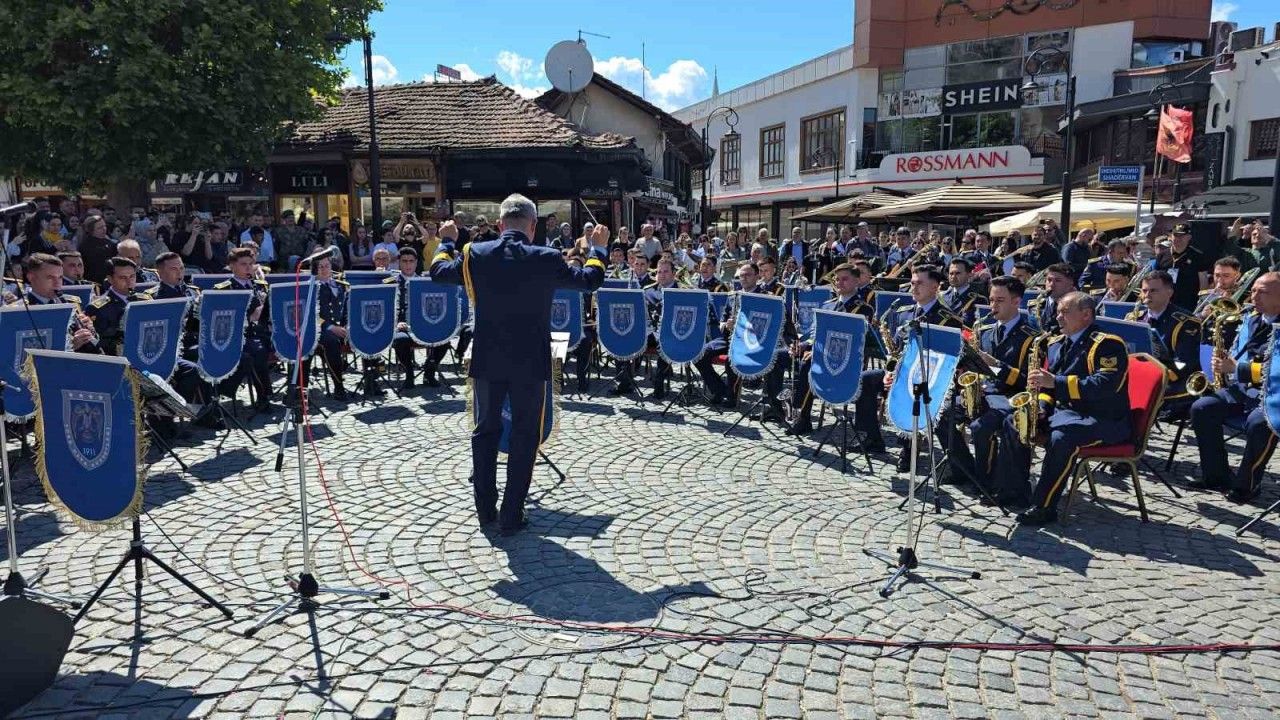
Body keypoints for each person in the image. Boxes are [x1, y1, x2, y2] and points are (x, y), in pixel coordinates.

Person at [429, 194, 609, 536]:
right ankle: (511, 514)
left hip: (487, 358)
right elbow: (588, 280)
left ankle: (485, 511)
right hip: (530, 361)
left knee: (485, 432)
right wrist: (597, 248)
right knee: (525, 436)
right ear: (533, 225)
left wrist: (447, 241)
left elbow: (438, 272)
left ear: (500, 225)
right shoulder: (546, 257)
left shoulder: (475, 253)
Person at [994, 292, 1129, 525]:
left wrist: (1055, 382)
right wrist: (1041, 408)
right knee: (1015, 420)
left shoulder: (1107, 344)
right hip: (1065, 414)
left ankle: (1044, 506)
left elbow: (1105, 385)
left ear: (1086, 314)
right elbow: (1047, 388)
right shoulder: (1056, 343)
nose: (1058, 317)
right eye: (1057, 312)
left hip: (1102, 419)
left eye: (1065, 312)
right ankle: (1015, 491)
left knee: (1062, 438)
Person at [937, 275, 1039, 500]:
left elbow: (1028, 381)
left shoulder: (1031, 338)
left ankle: (988, 482)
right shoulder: (983, 330)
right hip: (983, 392)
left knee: (981, 427)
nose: (993, 306)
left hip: (1010, 397)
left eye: (1000, 300)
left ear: (1016, 302)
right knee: (941, 414)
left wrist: (997, 365)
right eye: (991, 300)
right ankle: (964, 469)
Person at [855, 266, 965, 461]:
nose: (914, 287)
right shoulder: (903, 313)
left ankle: (909, 449)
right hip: (902, 372)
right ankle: (872, 438)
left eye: (920, 283)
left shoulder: (948, 320)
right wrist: (890, 372)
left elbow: (949, 361)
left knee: (916, 391)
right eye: (912, 283)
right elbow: (896, 352)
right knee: (865, 380)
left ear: (935, 287)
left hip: (930, 377)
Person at [1187, 272, 1280, 503]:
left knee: (1260, 423)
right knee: (1202, 407)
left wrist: (1237, 368)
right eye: (1254, 290)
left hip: (1273, 396)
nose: (1254, 296)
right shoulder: (1251, 319)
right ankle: (1216, 475)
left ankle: (1247, 485)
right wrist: (1222, 362)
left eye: (1263, 292)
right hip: (1243, 390)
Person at [786, 263, 873, 435]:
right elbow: (816, 334)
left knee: (808, 364)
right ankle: (800, 414)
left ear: (857, 281)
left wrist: (817, 352)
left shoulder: (864, 309)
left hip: (849, 360)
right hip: (824, 356)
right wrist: (804, 345)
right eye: (837, 279)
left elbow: (857, 341)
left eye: (845, 279)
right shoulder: (827, 305)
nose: (839, 283)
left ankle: (801, 417)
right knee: (801, 360)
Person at [1127, 270, 1200, 411]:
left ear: (1169, 293)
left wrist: (1154, 375)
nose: (1147, 295)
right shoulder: (1134, 318)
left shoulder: (1186, 322)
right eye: (1144, 290)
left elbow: (1183, 363)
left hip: (1171, 379)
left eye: (1153, 291)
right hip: (1137, 374)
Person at [213, 248, 272, 411]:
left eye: (251, 264)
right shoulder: (224, 289)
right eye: (243, 264)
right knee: (258, 351)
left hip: (264, 332)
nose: (248, 268)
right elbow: (223, 320)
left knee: (295, 342)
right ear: (232, 266)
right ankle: (264, 396)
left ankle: (296, 392)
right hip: (241, 336)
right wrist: (250, 317)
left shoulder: (260, 285)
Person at [611, 258, 679, 399]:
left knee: (664, 343)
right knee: (622, 338)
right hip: (648, 333)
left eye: (666, 271)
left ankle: (659, 386)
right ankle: (625, 382)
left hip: (670, 334)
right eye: (659, 272)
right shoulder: (648, 291)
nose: (662, 275)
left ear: (674, 274)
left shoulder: (682, 292)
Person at [12, 253, 98, 352]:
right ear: (31, 277)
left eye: (60, 277)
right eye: (50, 277)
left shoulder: (69, 302)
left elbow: (92, 347)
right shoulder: (18, 310)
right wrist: (69, 346)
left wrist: (91, 331)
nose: (57, 283)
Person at [310, 255, 350, 400]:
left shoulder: (341, 285)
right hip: (321, 330)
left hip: (343, 327)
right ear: (315, 269)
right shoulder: (311, 287)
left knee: (364, 333)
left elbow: (347, 308)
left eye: (327, 265)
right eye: (320, 266)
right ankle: (339, 386)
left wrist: (348, 325)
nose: (324, 269)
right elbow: (311, 315)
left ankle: (372, 381)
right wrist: (330, 327)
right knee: (331, 342)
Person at [83, 256, 138, 356]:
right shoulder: (97, 308)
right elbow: (98, 343)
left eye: (132, 276)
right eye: (123, 278)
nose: (129, 281)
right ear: (110, 279)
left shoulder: (145, 300)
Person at [1164, 223, 1210, 310]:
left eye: (1182, 236)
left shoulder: (1197, 256)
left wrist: (1201, 303)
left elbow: (1203, 282)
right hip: (1164, 302)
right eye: (1175, 235)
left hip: (1188, 303)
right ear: (1170, 236)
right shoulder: (1162, 255)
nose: (1178, 238)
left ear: (1189, 237)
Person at [1027, 263, 1076, 335]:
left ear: (1070, 282)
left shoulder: (1078, 307)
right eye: (1049, 280)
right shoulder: (1034, 306)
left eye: (1058, 280)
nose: (1052, 284)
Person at [941, 257, 986, 326]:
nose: (953, 277)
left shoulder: (979, 299)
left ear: (969, 274)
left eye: (957, 273)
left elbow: (973, 326)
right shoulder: (942, 296)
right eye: (951, 273)